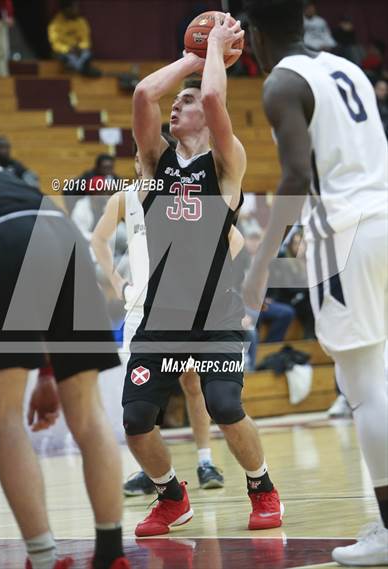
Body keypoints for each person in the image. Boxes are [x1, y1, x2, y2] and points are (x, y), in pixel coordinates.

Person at [124, 13, 283, 538]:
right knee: (136, 418)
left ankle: (261, 486)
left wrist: (213, 53)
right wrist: (194, 57)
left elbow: (215, 101)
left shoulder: (225, 162)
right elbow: (145, 93)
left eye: (185, 100)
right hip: (161, 316)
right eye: (179, 100)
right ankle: (172, 497)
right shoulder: (154, 163)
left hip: (215, 312)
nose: (177, 103)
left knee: (223, 404)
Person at [244, 0, 388, 564]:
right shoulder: (348, 67)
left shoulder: (281, 83)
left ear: (254, 35)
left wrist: (261, 267)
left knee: (363, 386)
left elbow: (298, 175)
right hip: (384, 215)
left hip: (345, 235)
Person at [0, 159, 129, 569]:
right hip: (62, 234)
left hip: (2, 240)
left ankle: (43, 559)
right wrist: (45, 370)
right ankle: (111, 554)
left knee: (1, 417)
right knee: (90, 414)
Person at [92, 149, 226, 494]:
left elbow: (232, 239)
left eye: (147, 156)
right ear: (136, 162)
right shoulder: (124, 199)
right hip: (140, 308)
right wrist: (117, 281)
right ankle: (151, 470)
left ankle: (205, 460)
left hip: (184, 306)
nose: (142, 161)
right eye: (137, 157)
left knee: (193, 384)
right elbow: (98, 239)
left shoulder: (184, 195)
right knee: (143, 394)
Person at [48, 0, 101, 78]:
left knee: (88, 54)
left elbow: (86, 41)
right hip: (65, 53)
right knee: (62, 57)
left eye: (76, 7)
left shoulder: (81, 22)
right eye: (73, 7)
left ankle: (77, 68)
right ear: (66, 9)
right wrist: (67, 49)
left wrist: (80, 48)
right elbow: (55, 44)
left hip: (80, 52)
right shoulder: (55, 24)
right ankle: (83, 70)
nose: (76, 10)